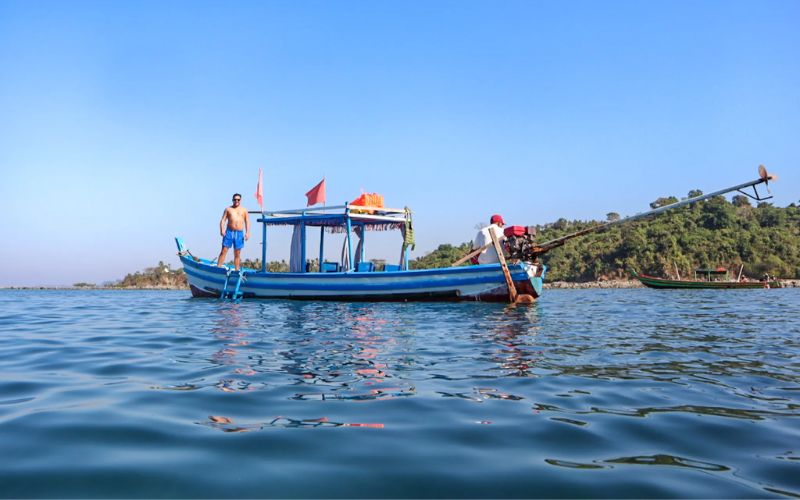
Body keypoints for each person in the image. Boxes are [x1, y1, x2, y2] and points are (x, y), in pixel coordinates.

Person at [216, 193, 250, 270]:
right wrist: (222, 229)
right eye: (235, 199)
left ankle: (237, 270)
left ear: (240, 200)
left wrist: (248, 232)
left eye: (238, 199)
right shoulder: (228, 209)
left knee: (237, 253)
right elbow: (223, 220)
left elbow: (247, 221)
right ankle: (217, 269)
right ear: (232, 200)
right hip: (229, 232)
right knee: (224, 251)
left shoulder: (244, 210)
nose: (236, 201)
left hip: (239, 233)